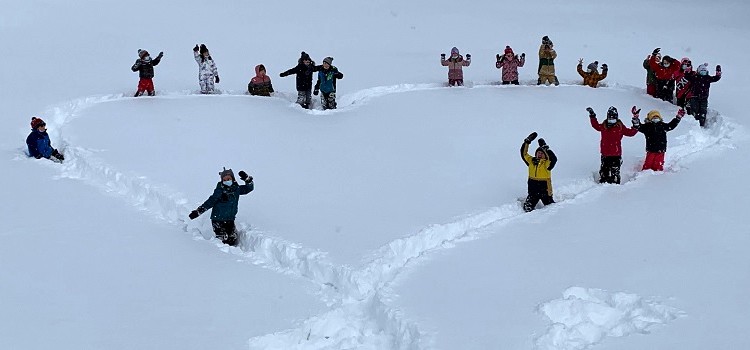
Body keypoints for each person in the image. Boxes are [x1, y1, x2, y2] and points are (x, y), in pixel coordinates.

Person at [189, 168, 254, 246]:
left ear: (233, 179)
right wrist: (198, 211)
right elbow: (210, 202)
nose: (227, 181)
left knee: (232, 239)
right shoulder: (219, 191)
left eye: (229, 179)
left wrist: (247, 180)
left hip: (230, 219)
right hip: (218, 219)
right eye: (225, 179)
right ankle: (220, 253)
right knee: (224, 239)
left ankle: (231, 253)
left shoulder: (236, 189)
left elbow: (248, 188)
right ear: (222, 181)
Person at [587, 106, 637, 184]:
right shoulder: (604, 126)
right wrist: (592, 116)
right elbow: (595, 125)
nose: (611, 120)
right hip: (605, 153)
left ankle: (615, 183)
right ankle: (603, 181)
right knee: (604, 169)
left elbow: (631, 133)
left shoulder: (620, 127)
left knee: (615, 170)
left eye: (613, 118)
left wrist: (635, 125)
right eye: (610, 118)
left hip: (616, 154)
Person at [631, 106, 684, 171]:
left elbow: (671, 125)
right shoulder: (647, 127)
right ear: (650, 118)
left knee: (658, 165)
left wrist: (678, 117)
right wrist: (635, 118)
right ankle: (644, 176)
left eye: (657, 117)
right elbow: (638, 126)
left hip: (661, 149)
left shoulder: (663, 126)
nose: (655, 118)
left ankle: (658, 177)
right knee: (648, 165)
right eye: (653, 117)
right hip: (651, 149)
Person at [520, 132, 557, 212]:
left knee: (551, 207)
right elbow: (524, 154)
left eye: (542, 153)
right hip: (533, 190)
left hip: (545, 190)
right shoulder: (531, 161)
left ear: (545, 155)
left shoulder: (547, 164)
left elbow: (553, 159)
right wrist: (527, 142)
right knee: (527, 208)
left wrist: (545, 148)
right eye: (538, 153)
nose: (539, 154)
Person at [684, 63, 721, 127]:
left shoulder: (707, 78)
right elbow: (686, 76)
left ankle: (702, 124)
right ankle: (693, 125)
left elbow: (715, 78)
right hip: (694, 97)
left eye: (704, 71)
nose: (703, 73)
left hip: (704, 98)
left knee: (703, 111)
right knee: (694, 111)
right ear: (698, 71)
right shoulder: (695, 77)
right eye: (701, 71)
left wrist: (718, 73)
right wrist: (688, 69)